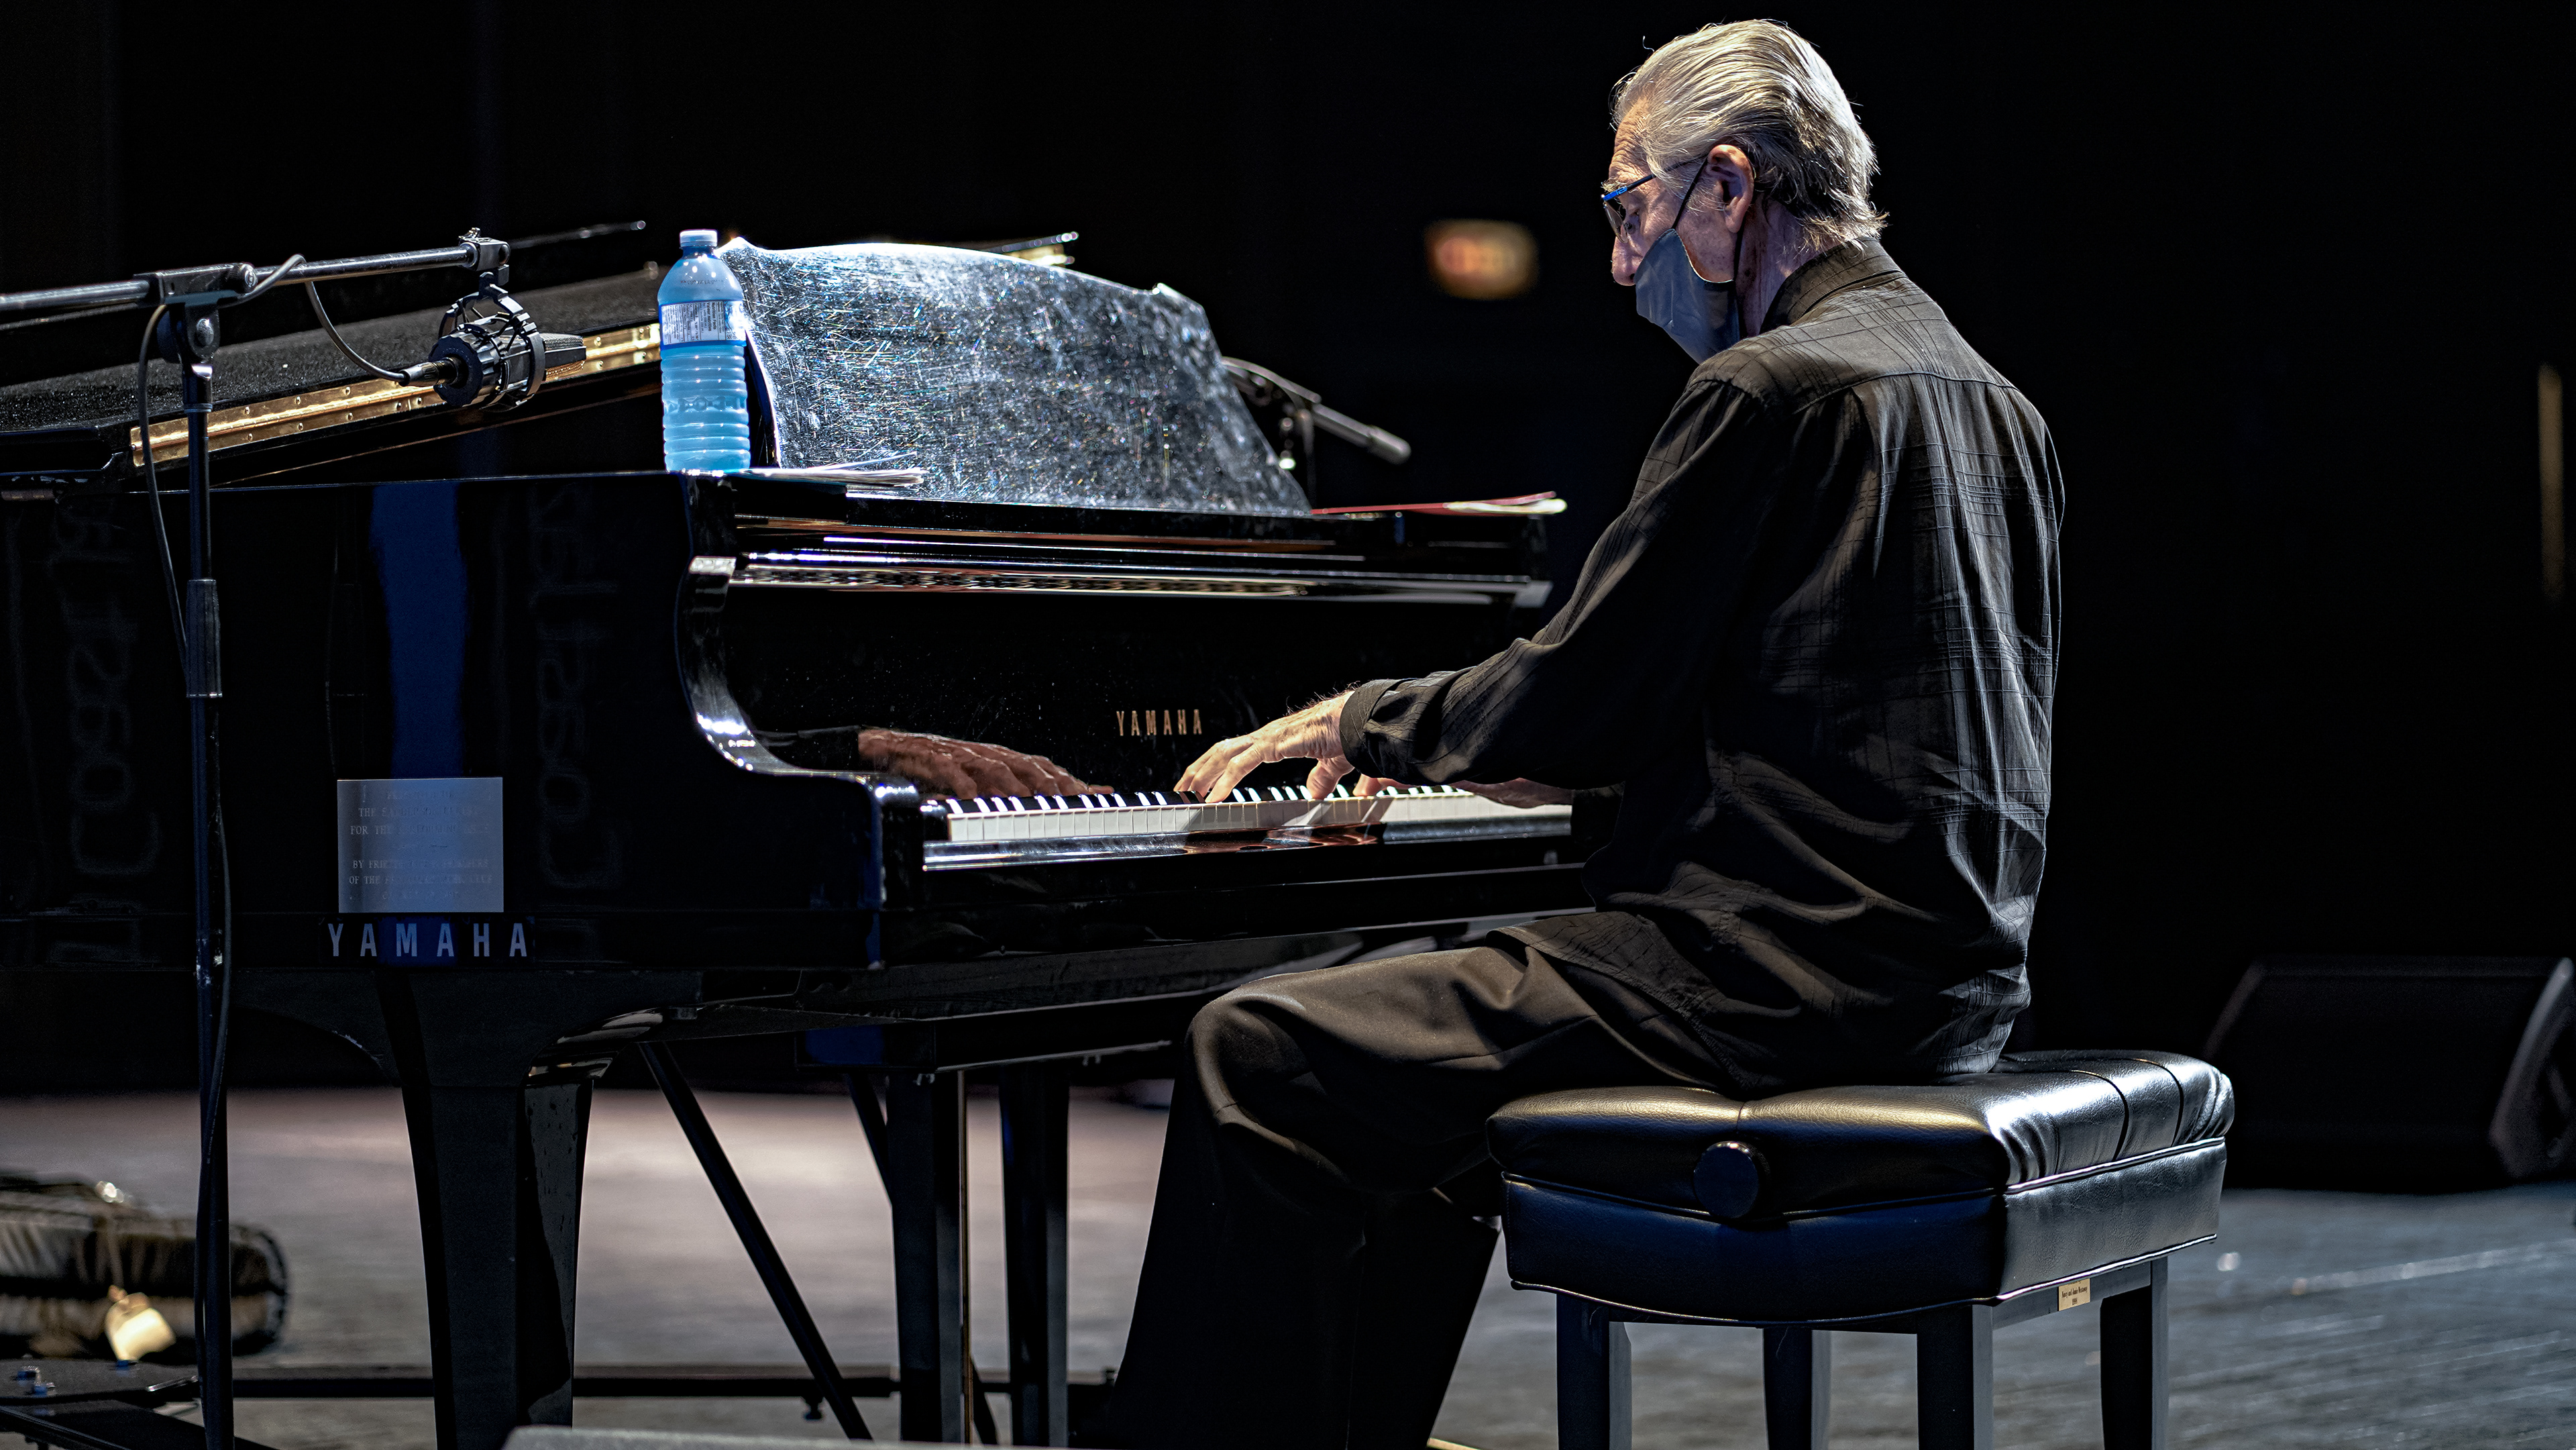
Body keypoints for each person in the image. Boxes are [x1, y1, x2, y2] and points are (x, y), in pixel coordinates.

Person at [1090, 19, 2062, 1447]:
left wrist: (1366, 722)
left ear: (1727, 187)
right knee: (1400, 1094)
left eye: (1629, 209)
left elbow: (1583, 699)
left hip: (1769, 978)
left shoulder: (1764, 390)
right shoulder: (1993, 400)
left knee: (1259, 1048)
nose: (1619, 263)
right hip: (1951, 981)